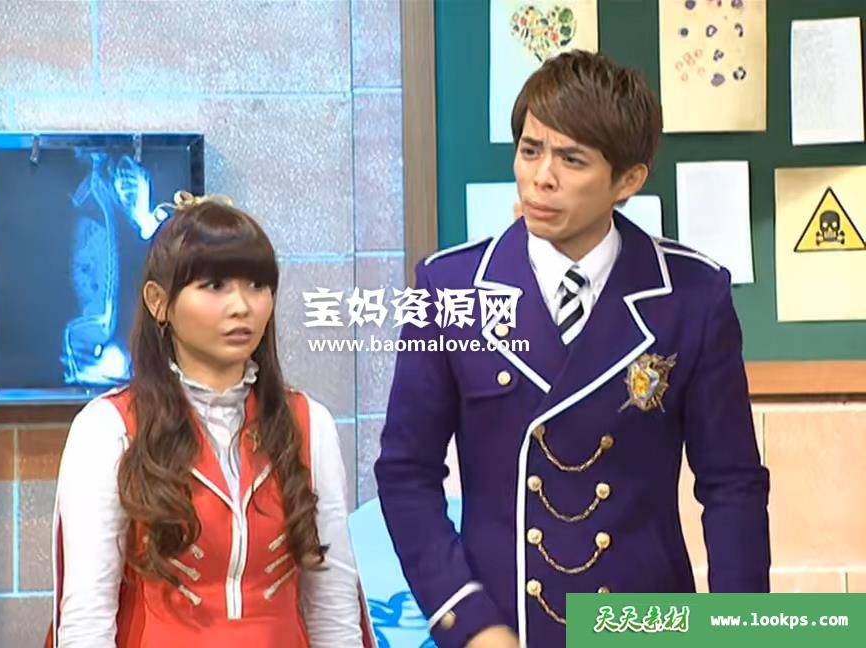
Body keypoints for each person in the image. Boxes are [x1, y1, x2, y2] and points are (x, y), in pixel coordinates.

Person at [375, 50, 770, 648]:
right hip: (502, 626)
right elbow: (406, 474)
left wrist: (742, 632)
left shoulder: (691, 295)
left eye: (571, 159)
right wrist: (468, 621)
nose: (541, 177)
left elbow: (731, 484)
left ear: (628, 181)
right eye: (530, 150)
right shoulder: (449, 287)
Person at [48, 193, 373, 647]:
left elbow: (333, 609)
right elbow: (86, 621)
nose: (242, 306)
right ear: (158, 302)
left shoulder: (307, 423)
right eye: (215, 285)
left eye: (257, 285)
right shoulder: (109, 430)